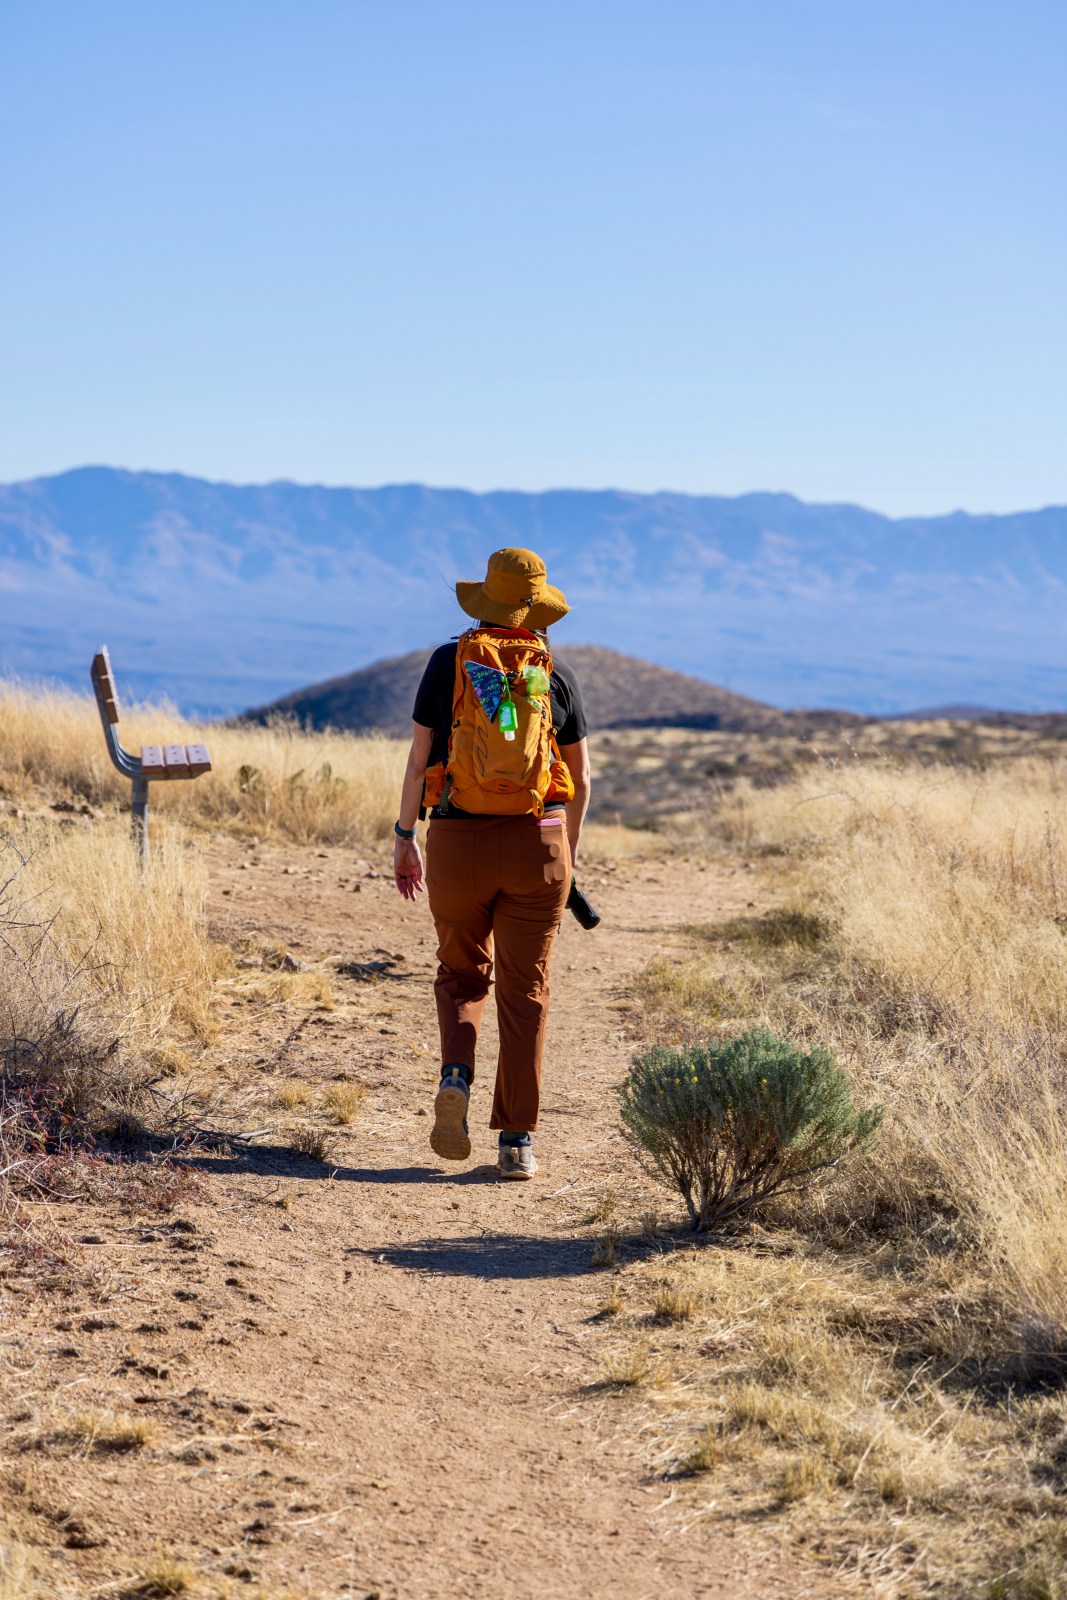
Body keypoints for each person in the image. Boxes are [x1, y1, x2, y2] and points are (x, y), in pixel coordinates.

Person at [392, 547, 591, 1180]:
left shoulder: (448, 661)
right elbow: (581, 780)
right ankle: (516, 1142)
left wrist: (404, 836)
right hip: (539, 844)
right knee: (525, 991)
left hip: (457, 842)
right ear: (537, 609)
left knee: (460, 975)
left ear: (485, 600)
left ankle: (456, 1075)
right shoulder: (553, 674)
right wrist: (565, 855)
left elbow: (418, 761)